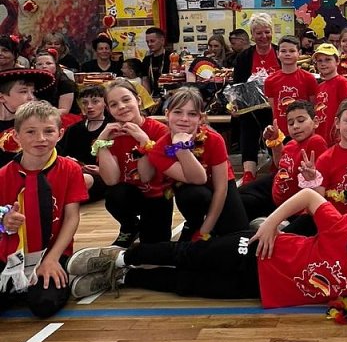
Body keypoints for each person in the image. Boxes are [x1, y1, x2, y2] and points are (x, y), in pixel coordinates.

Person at [67, 192, 347, 325]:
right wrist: (272, 223)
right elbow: (309, 196)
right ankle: (122, 258)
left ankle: (124, 278)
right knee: (189, 254)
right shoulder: (342, 228)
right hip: (259, 248)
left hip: (257, 289)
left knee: (188, 285)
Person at [0, 101, 88, 318]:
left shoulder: (70, 169)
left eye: (48, 131)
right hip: (12, 253)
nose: (40, 138)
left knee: (44, 305)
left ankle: (58, 274)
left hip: (53, 251)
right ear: (16, 136)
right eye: (30, 132)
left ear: (60, 134)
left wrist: (52, 258)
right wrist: (4, 222)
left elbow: (71, 217)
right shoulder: (3, 175)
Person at [144, 85, 247, 240]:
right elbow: (199, 179)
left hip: (221, 187)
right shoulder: (159, 149)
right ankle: (193, 224)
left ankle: (206, 228)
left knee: (237, 235)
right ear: (167, 114)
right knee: (195, 195)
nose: (184, 119)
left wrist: (205, 231)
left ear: (201, 118)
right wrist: (182, 149)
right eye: (178, 112)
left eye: (192, 114)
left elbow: (221, 188)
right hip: (192, 191)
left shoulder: (214, 139)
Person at [95, 79, 173, 247]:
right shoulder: (111, 133)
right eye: (114, 104)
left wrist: (144, 141)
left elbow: (147, 176)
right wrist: (101, 143)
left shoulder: (159, 130)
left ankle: (145, 227)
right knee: (114, 195)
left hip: (158, 197)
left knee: (153, 248)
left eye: (126, 100)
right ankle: (129, 225)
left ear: (138, 100)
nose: (121, 107)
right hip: (130, 195)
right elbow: (111, 180)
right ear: (108, 109)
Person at [239, 99, 328, 221]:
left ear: (315, 122)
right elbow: (280, 164)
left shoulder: (315, 141)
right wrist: (275, 140)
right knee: (238, 197)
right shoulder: (291, 144)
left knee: (242, 205)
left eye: (301, 121)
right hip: (275, 191)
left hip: (291, 207)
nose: (296, 126)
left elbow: (320, 183)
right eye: (290, 123)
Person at [232, 13, 280, 184]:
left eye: (267, 32)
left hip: (276, 104)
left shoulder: (280, 51)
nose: (263, 36)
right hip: (251, 105)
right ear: (252, 35)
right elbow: (237, 84)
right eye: (258, 33)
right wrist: (235, 105)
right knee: (247, 126)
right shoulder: (244, 57)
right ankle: (248, 172)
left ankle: (277, 164)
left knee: (276, 127)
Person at [58, 83, 110, 202]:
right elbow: (61, 153)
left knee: (84, 179)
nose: (89, 106)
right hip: (73, 172)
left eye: (95, 102)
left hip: (100, 177)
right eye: (85, 103)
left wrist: (101, 170)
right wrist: (69, 161)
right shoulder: (73, 129)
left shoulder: (111, 127)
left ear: (105, 103)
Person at [264, 34, 318, 137]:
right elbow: (274, 109)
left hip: (304, 132)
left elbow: (313, 106)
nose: (287, 54)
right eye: (283, 51)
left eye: (292, 51)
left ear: (299, 53)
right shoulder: (270, 81)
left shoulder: (309, 78)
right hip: (281, 132)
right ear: (277, 54)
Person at [0, 68, 54, 166]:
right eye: (23, 92)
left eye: (32, 92)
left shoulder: (39, 122)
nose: (31, 97)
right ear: (2, 97)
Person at [312, 42, 347, 145]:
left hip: (336, 138)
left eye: (328, 59)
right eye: (319, 60)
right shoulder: (320, 86)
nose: (323, 63)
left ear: (337, 61)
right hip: (321, 136)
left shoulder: (342, 82)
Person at [33, 48, 78, 115]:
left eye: (48, 63)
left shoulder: (65, 83)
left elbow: (64, 110)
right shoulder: (32, 82)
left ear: (56, 65)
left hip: (59, 116)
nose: (44, 66)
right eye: (39, 64)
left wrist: (42, 114)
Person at [140, 27, 172, 100]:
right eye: (147, 42)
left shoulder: (172, 57)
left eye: (152, 41)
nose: (149, 44)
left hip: (169, 97)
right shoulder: (146, 60)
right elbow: (145, 80)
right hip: (153, 97)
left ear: (162, 40)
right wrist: (148, 99)